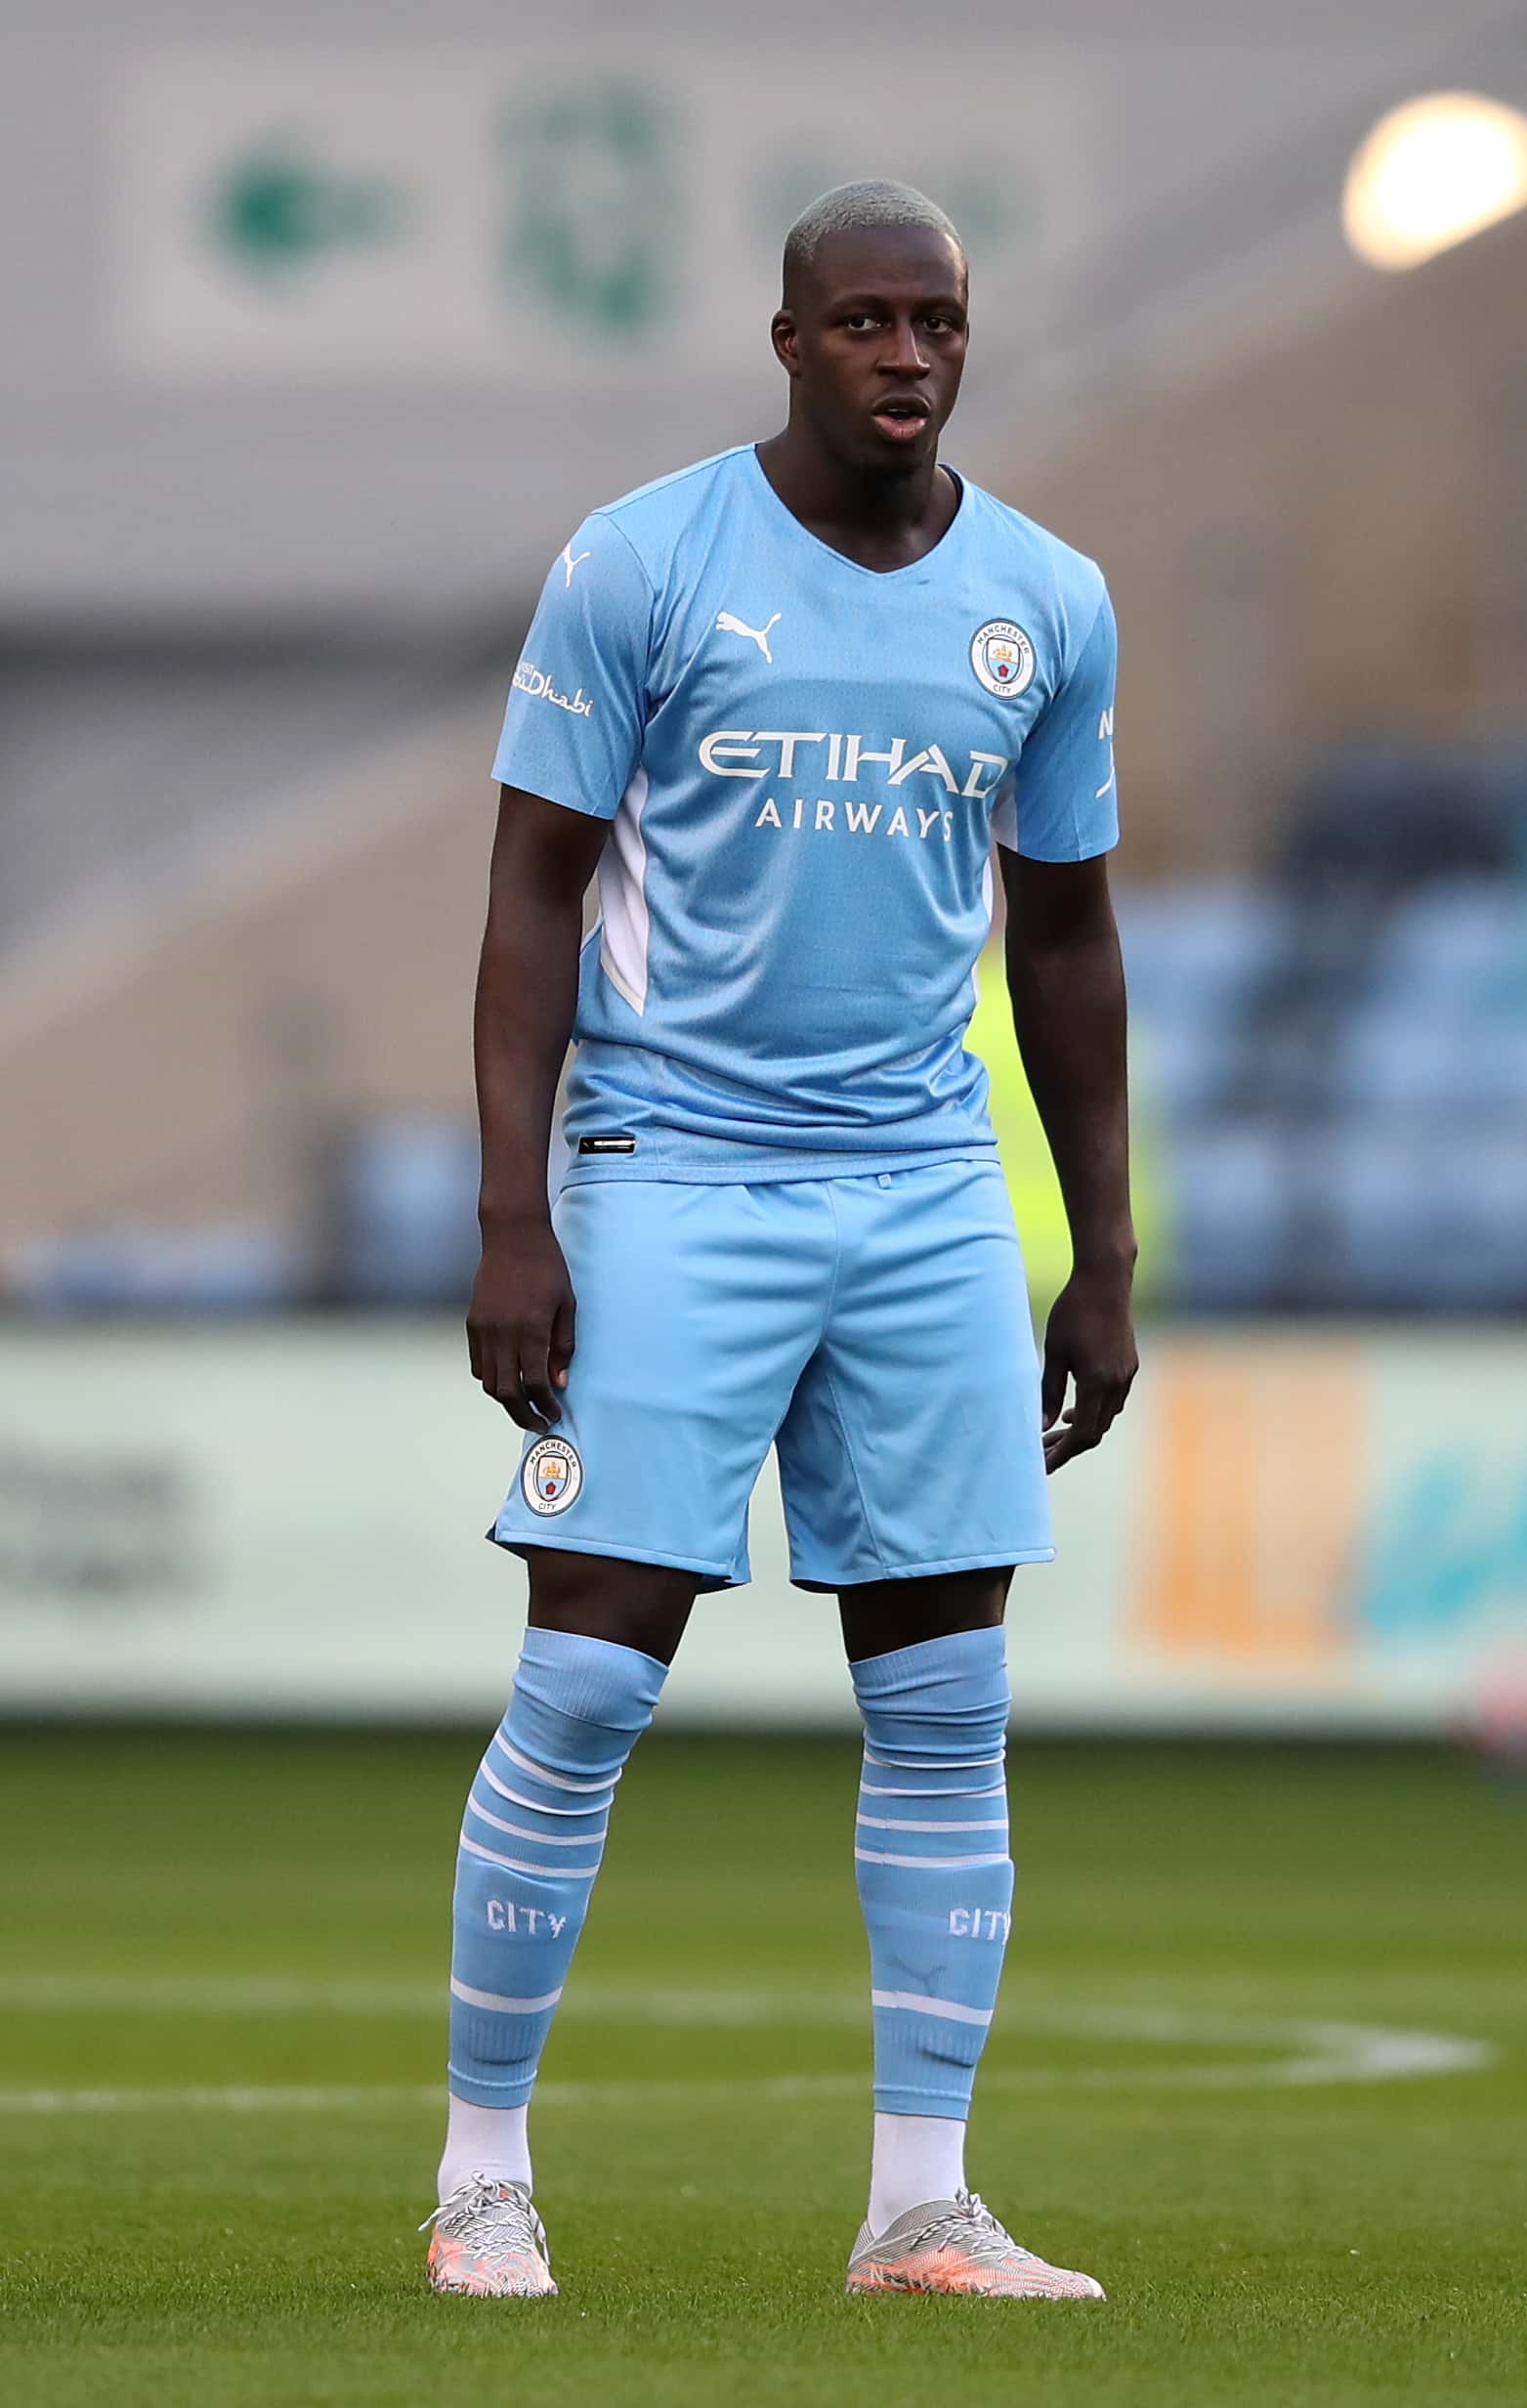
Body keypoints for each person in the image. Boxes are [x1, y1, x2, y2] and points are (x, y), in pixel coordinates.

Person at [423, 180, 1137, 2302]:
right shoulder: (642, 561)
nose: (906, 357)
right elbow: (530, 894)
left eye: (938, 322)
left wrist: (1095, 1251)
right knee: (584, 1673)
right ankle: (481, 2176)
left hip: (924, 1191)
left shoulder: (1049, 599)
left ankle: (921, 2200)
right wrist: (511, 1211)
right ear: (787, 338)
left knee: (946, 1697)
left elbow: (1074, 941)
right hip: (674, 1167)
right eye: (864, 322)